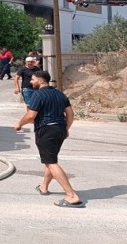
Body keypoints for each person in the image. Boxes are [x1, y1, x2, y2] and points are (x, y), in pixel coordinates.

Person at [14, 70, 84, 208]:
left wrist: (19, 124)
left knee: (51, 163)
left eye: (33, 79)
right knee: (50, 160)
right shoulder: (60, 94)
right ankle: (44, 187)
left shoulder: (38, 95)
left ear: (41, 81)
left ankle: (71, 196)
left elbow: (31, 115)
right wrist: (66, 128)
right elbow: (70, 114)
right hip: (60, 129)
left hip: (46, 130)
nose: (31, 82)